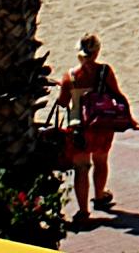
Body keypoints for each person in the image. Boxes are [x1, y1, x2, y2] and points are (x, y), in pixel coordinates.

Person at [57, 36, 132, 213]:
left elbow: (62, 102)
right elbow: (116, 93)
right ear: (97, 52)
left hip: (78, 127)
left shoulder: (70, 76)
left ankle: (83, 211)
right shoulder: (105, 71)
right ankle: (99, 196)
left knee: (81, 169)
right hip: (101, 124)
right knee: (101, 161)